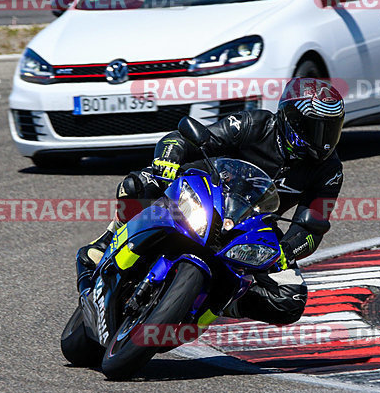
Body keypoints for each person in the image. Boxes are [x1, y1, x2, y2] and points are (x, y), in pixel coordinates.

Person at [76, 78, 345, 325]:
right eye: (314, 128)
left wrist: (286, 250)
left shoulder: (330, 171)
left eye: (330, 130)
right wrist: (168, 159)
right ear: (289, 118)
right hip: (203, 193)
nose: (322, 140)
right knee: (138, 184)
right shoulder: (254, 124)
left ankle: (219, 301)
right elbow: (188, 138)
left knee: (290, 299)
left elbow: (311, 227)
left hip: (252, 224)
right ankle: (108, 238)